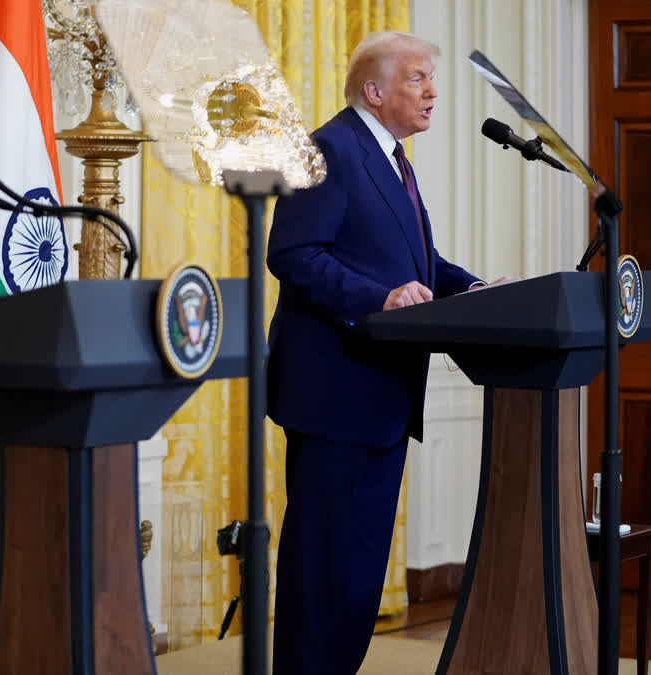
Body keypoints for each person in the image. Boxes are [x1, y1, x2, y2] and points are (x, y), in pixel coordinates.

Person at [266, 31, 502, 674]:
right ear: (374, 90)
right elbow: (291, 255)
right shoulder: (327, 149)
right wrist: (379, 298)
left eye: (430, 78)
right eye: (418, 78)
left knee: (357, 571)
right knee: (325, 570)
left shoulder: (392, 158)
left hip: (382, 396)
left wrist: (478, 289)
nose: (433, 92)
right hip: (334, 393)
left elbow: (416, 263)